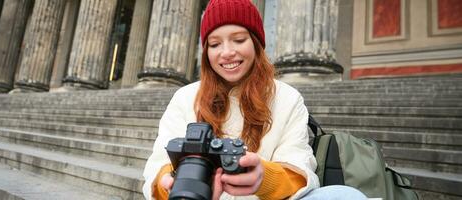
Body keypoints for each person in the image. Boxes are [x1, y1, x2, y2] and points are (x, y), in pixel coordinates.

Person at [142, 0, 368, 199]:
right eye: (214, 44)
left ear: (256, 43)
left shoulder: (288, 98)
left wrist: (264, 177)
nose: (227, 52)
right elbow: (158, 166)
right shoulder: (185, 97)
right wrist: (171, 186)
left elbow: (300, 168)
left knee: (345, 195)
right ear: (206, 53)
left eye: (239, 40)